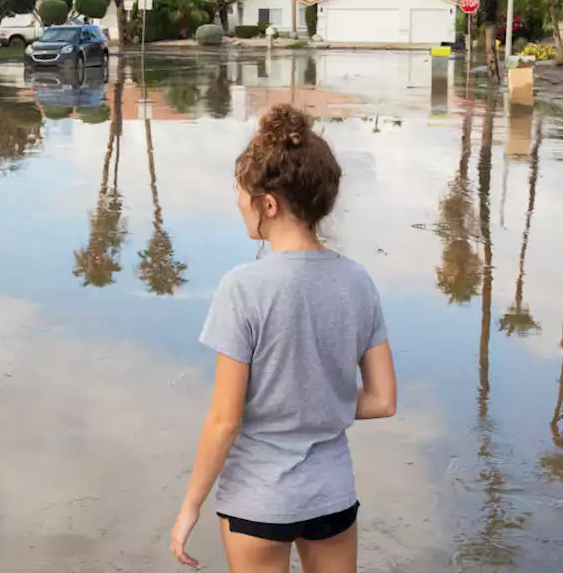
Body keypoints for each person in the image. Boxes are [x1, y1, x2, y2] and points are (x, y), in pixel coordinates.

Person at [169, 104, 398, 572]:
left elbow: (224, 420)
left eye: (241, 194)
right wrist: (321, 398)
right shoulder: (358, 282)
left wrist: (190, 504)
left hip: (258, 501)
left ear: (268, 204)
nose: (238, 203)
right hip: (331, 498)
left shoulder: (242, 287)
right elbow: (382, 400)